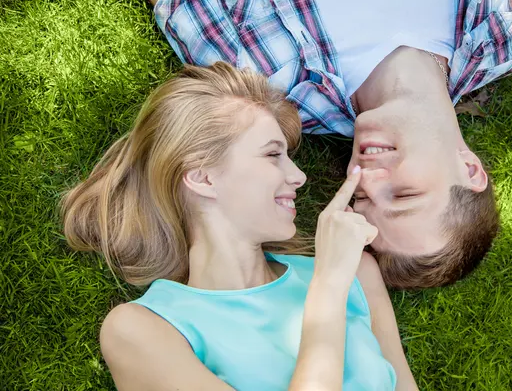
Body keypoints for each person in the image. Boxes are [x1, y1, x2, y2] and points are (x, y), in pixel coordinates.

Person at [143, 0, 512, 289]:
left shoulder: (270, 80)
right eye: (404, 196)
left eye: (361, 199)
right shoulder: (505, 29)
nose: (366, 179)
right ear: (469, 169)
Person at [61, 63, 419, 390]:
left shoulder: (357, 273)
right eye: (272, 154)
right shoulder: (141, 330)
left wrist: (337, 277)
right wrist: (327, 288)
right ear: (203, 178)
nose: (299, 176)